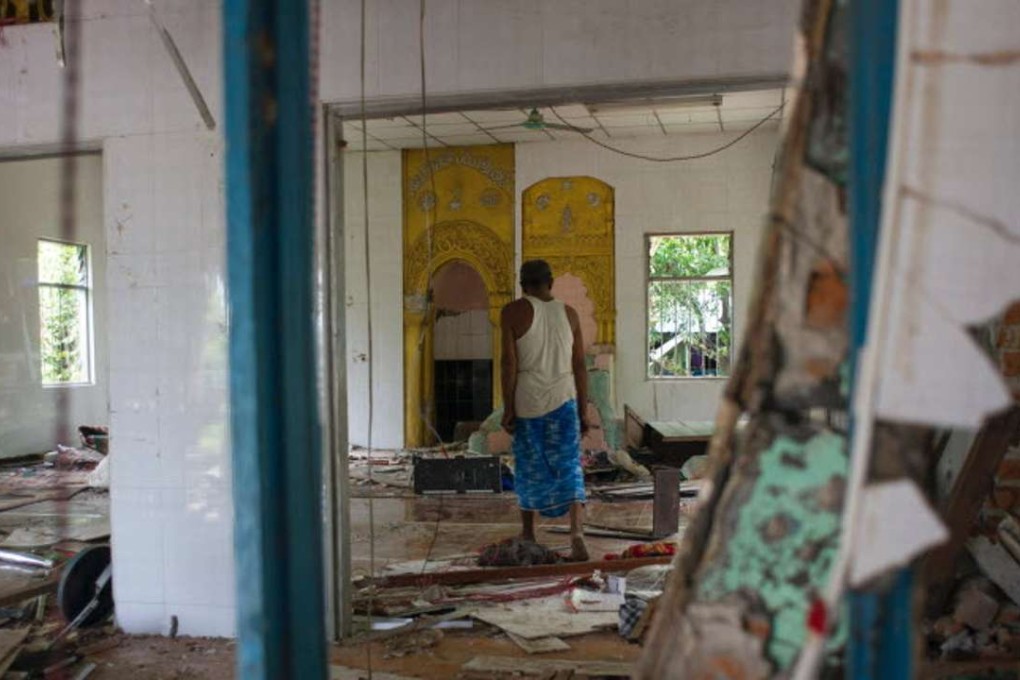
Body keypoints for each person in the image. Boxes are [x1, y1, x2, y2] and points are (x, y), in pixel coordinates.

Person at [500, 259, 589, 562]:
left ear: (523, 284)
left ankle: (528, 532)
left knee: (528, 466)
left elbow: (509, 364)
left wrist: (508, 407)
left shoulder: (513, 312)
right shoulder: (570, 314)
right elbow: (579, 366)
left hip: (528, 400)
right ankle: (576, 533)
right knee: (569, 465)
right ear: (550, 282)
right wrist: (582, 411)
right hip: (565, 399)